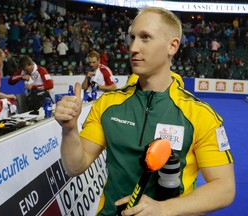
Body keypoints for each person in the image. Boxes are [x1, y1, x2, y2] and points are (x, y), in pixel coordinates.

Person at [54, 6, 235, 216]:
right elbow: (75, 166)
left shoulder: (200, 114)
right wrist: (69, 130)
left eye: (145, 37)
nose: (133, 47)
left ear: (172, 46)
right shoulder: (107, 104)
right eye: (132, 38)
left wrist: (163, 209)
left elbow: (224, 188)